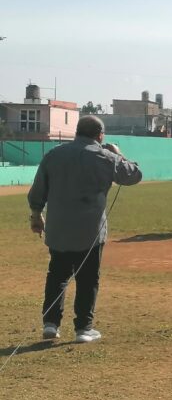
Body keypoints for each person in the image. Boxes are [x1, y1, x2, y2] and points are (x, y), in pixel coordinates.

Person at [27, 115, 143, 343]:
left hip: (58, 228)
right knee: (88, 279)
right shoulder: (106, 157)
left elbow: (38, 189)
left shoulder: (54, 154)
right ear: (100, 135)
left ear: (77, 131)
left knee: (57, 276)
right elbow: (133, 175)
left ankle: (51, 324)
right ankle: (83, 328)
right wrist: (119, 154)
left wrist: (36, 214)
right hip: (90, 231)